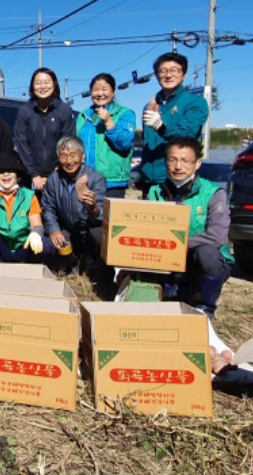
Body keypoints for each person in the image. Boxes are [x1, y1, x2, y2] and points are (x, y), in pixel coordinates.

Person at [147, 137, 232, 319]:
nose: (178, 166)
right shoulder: (155, 192)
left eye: (185, 160)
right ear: (165, 162)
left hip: (198, 260)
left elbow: (217, 237)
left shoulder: (214, 193)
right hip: (165, 260)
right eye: (173, 159)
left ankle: (205, 308)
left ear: (198, 163)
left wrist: (177, 244)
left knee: (208, 255)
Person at [140, 52, 209, 190]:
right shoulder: (150, 106)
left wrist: (161, 127)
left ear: (183, 74)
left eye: (174, 70)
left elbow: (187, 135)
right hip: (149, 182)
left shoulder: (195, 102)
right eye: (163, 71)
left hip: (177, 181)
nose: (168, 75)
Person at [0, 152, 54, 263]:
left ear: (17, 176)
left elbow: (37, 224)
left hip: (24, 245)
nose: (6, 175)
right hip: (2, 246)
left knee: (45, 245)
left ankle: (30, 267)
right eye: (1, 172)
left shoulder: (29, 195)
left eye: (10, 171)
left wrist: (35, 234)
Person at [41, 136, 106, 265]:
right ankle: (70, 263)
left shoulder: (96, 179)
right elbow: (48, 208)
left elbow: (103, 215)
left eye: (73, 155)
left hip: (91, 230)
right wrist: (54, 230)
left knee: (100, 237)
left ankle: (97, 265)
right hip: (69, 230)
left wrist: (93, 207)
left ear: (82, 156)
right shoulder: (54, 179)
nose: (69, 161)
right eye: (63, 156)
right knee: (50, 243)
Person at [13, 67, 76, 193]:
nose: (42, 86)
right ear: (32, 86)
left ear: (55, 84)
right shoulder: (25, 111)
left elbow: (67, 142)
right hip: (29, 176)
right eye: (38, 83)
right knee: (32, 211)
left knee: (55, 211)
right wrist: (34, 174)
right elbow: (22, 144)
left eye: (46, 82)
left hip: (59, 174)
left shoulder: (64, 110)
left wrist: (57, 170)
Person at [76, 73, 136, 198]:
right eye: (95, 89)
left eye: (104, 89)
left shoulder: (125, 114)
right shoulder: (83, 115)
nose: (99, 93)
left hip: (111, 183)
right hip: (85, 180)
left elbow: (124, 144)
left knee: (107, 217)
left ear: (113, 92)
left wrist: (109, 122)